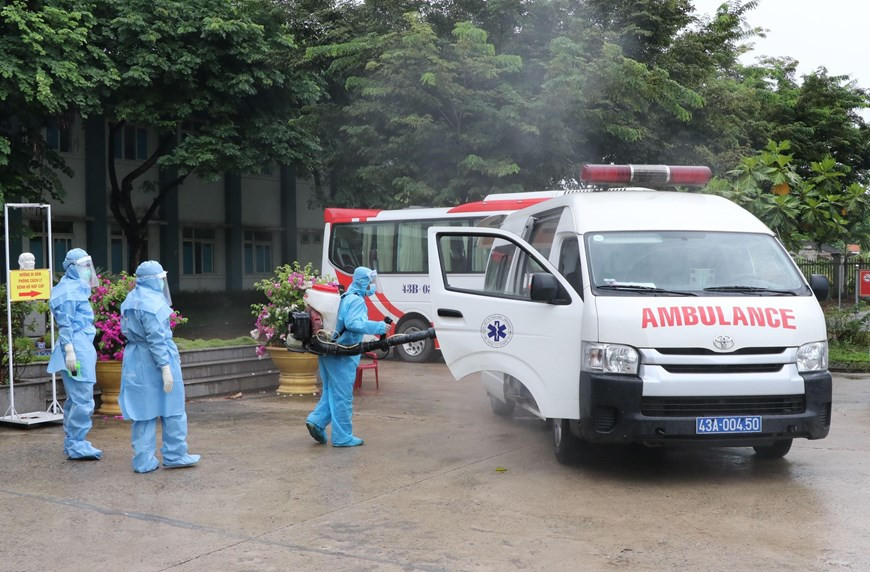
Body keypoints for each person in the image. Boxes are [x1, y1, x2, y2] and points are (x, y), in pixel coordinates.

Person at [119, 260, 200, 473]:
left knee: (142, 411)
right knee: (172, 408)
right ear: (153, 280)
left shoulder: (131, 298)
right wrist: (165, 366)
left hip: (136, 359)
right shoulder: (153, 304)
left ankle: (143, 460)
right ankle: (175, 454)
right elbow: (157, 339)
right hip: (156, 358)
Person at [306, 266, 389, 447]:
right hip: (342, 354)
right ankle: (342, 437)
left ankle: (317, 421)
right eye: (370, 282)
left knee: (331, 391)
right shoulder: (357, 301)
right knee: (342, 396)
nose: (372, 286)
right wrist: (378, 327)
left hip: (327, 350)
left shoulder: (345, 297)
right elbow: (353, 324)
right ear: (363, 282)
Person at [47, 248, 102, 460]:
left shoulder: (74, 289)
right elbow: (65, 324)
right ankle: (76, 443)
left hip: (80, 345)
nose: (87, 272)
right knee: (82, 398)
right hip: (75, 347)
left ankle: (74, 441)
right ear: (71, 268)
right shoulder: (67, 292)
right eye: (82, 267)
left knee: (77, 398)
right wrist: (69, 351)